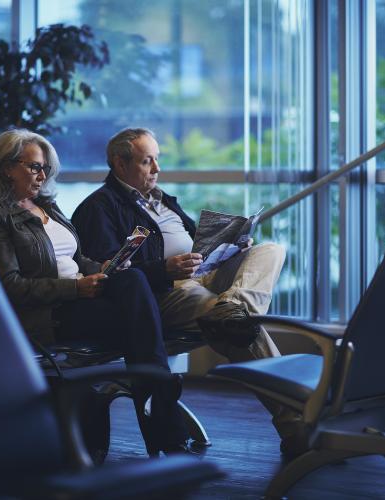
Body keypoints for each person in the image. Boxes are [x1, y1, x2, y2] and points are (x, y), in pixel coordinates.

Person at [71, 127, 303, 455]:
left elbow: (196, 241)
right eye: (146, 161)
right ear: (120, 164)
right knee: (237, 326)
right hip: (166, 292)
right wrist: (164, 269)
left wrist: (231, 246)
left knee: (271, 250)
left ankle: (233, 307)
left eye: (157, 160)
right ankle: (295, 425)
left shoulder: (161, 200)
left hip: (202, 274)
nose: (157, 169)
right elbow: (112, 275)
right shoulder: (100, 207)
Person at [0, 129, 190, 456]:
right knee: (139, 322)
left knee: (131, 279)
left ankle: (161, 416)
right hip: (51, 313)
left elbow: (76, 258)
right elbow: (8, 286)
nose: (42, 175)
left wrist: (100, 268)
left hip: (84, 297)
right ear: (6, 168)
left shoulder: (48, 207)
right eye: (33, 167)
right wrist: (75, 288)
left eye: (45, 168)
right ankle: (163, 414)